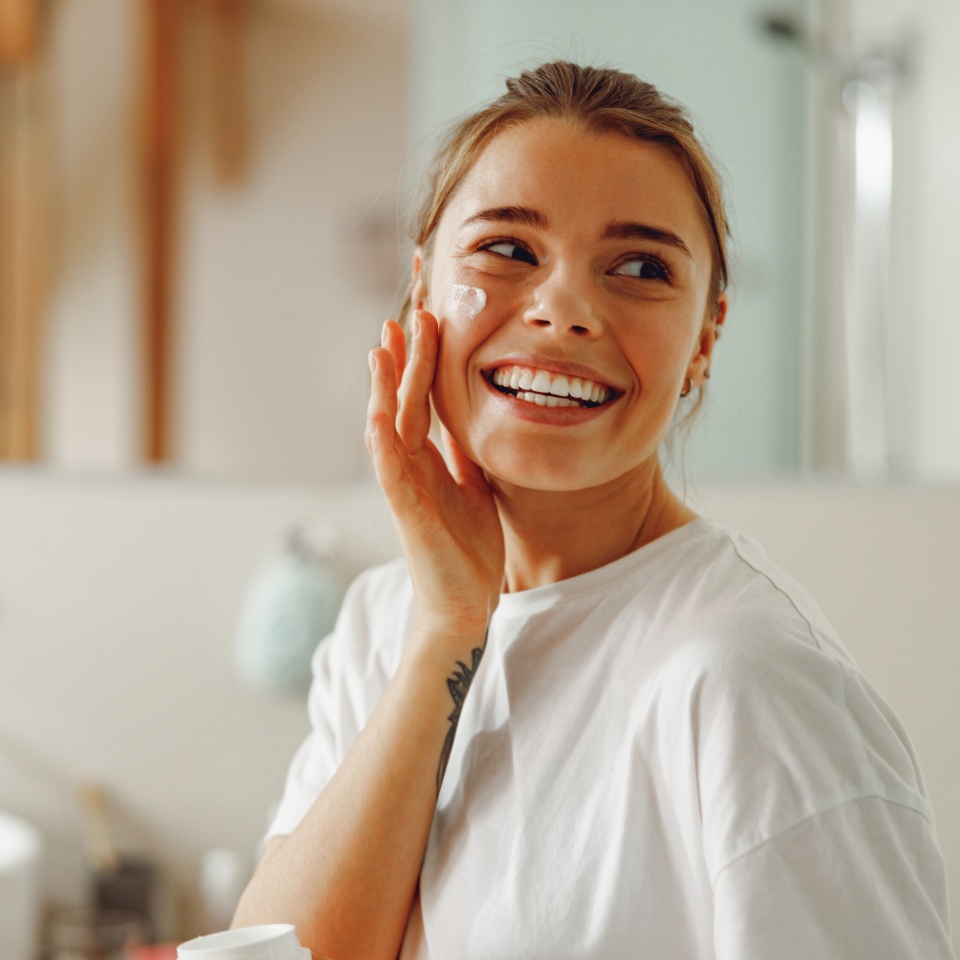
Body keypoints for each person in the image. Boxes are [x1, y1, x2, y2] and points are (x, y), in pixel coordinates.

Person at [231, 61, 954, 959]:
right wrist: (448, 629)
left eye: (641, 267)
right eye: (507, 249)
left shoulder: (749, 682)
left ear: (705, 341)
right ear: (422, 291)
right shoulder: (387, 622)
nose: (564, 309)